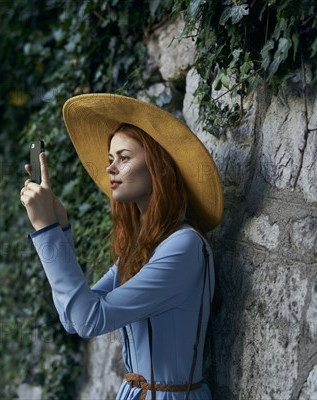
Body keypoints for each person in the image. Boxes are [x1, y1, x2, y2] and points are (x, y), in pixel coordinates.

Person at [19, 94, 223, 400]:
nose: (111, 169)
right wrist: (60, 229)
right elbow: (73, 319)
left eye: (124, 158)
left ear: (159, 167)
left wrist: (46, 230)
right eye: (110, 159)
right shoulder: (141, 247)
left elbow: (90, 320)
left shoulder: (184, 246)